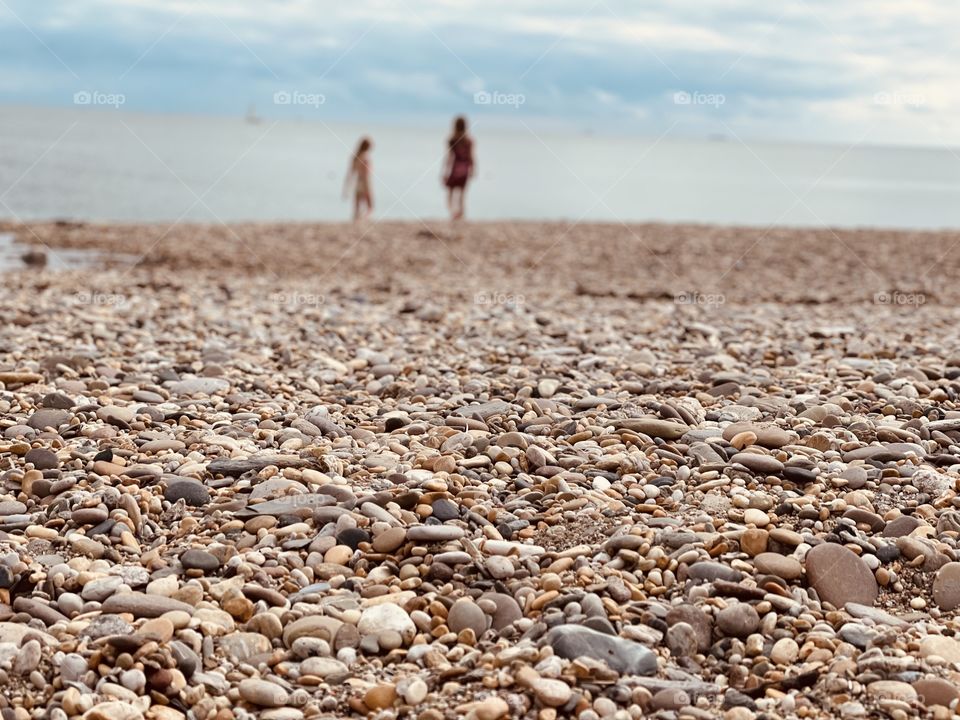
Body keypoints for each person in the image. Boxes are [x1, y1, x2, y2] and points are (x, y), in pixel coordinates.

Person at [443, 116, 474, 220]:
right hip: (465, 169)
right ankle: (460, 213)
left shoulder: (452, 139)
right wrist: (472, 169)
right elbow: (471, 157)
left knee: (450, 192)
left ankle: (453, 212)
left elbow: (449, 157)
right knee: (462, 194)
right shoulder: (468, 140)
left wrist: (445, 172)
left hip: (454, 168)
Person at [343, 137, 373, 222]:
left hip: (357, 182)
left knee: (357, 206)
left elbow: (350, 174)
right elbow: (366, 174)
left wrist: (346, 188)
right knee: (370, 206)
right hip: (364, 182)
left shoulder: (355, 157)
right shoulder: (365, 158)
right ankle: (363, 220)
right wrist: (368, 186)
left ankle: (356, 220)